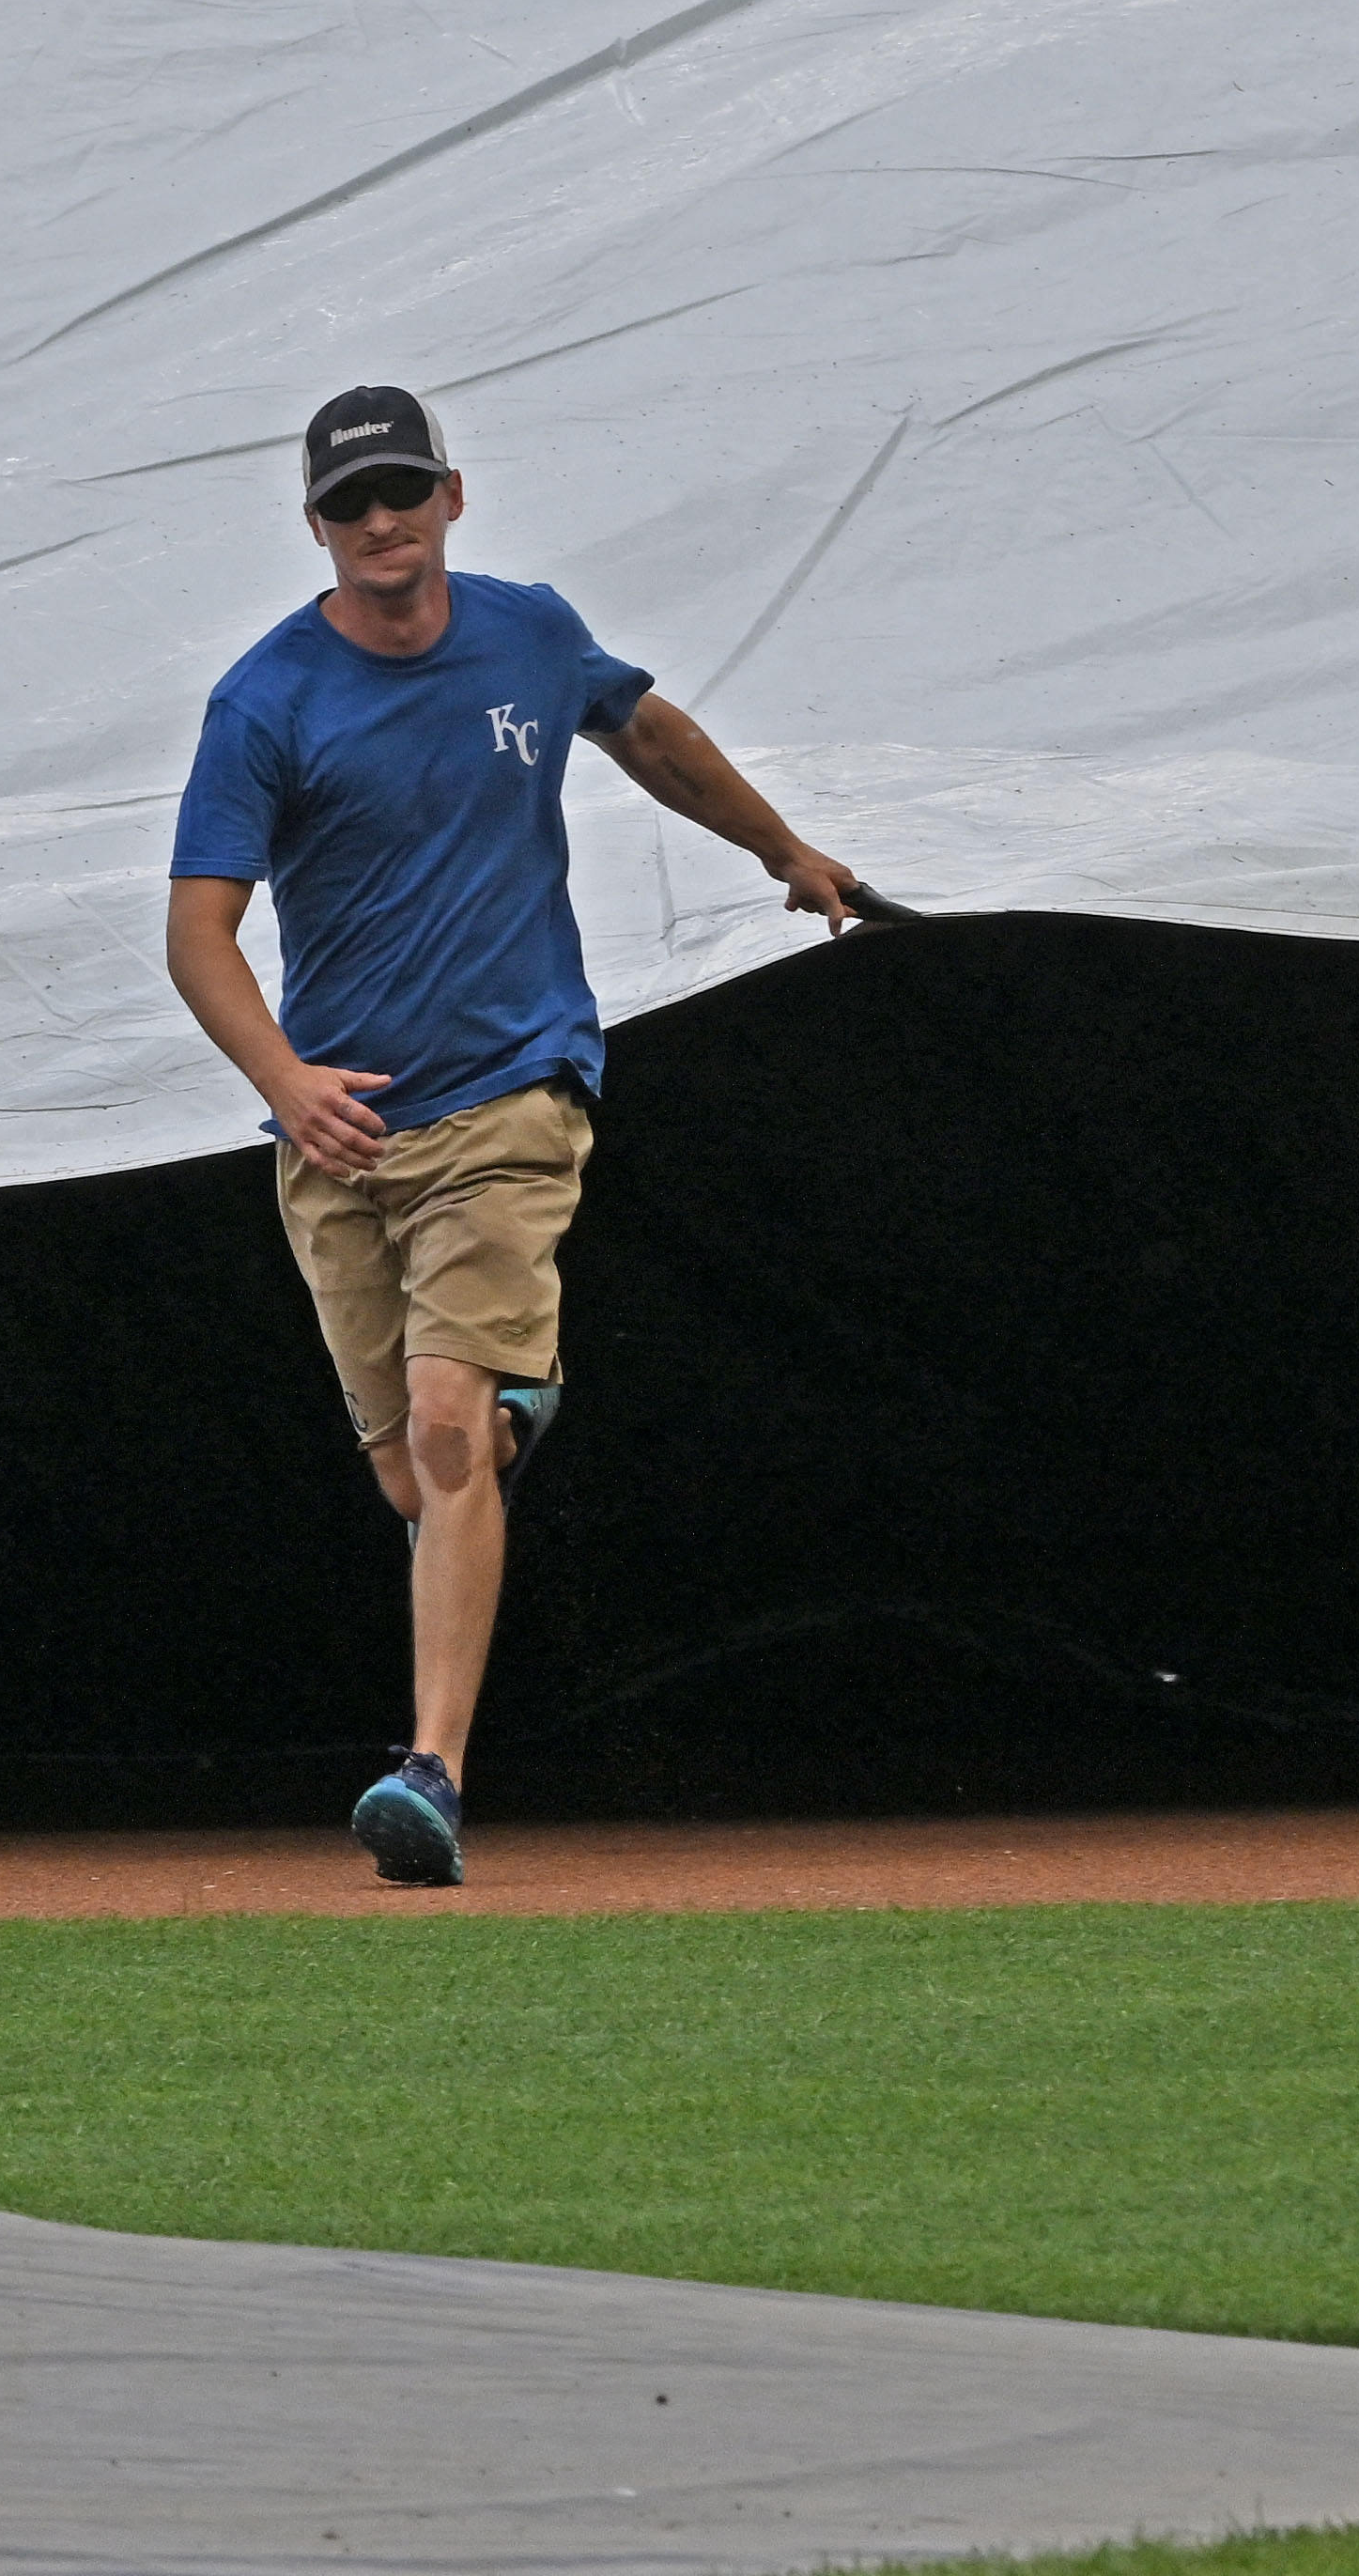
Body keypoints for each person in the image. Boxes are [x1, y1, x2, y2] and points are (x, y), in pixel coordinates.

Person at [163, 385, 868, 1887]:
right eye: (352, 504)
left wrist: (785, 850)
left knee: (437, 1428)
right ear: (317, 528)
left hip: (512, 1091)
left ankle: (430, 1774)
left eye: (403, 491)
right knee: (420, 1480)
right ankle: (512, 1412)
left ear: (454, 497)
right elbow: (200, 934)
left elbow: (651, 733)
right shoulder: (266, 699)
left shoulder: (530, 633)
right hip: (343, 1134)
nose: (381, 523)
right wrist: (286, 1082)